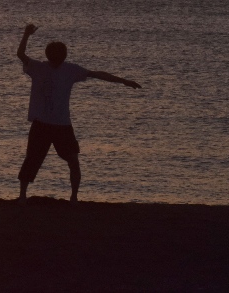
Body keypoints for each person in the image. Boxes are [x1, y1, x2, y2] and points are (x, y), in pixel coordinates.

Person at [16, 23, 142, 203]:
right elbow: (20, 54)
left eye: (59, 58)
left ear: (63, 57)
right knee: (32, 159)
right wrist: (26, 34)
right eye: (54, 58)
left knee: (73, 160)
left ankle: (74, 197)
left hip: (62, 125)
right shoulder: (38, 67)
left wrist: (123, 81)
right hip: (41, 124)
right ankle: (22, 195)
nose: (57, 62)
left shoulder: (70, 70)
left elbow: (97, 74)